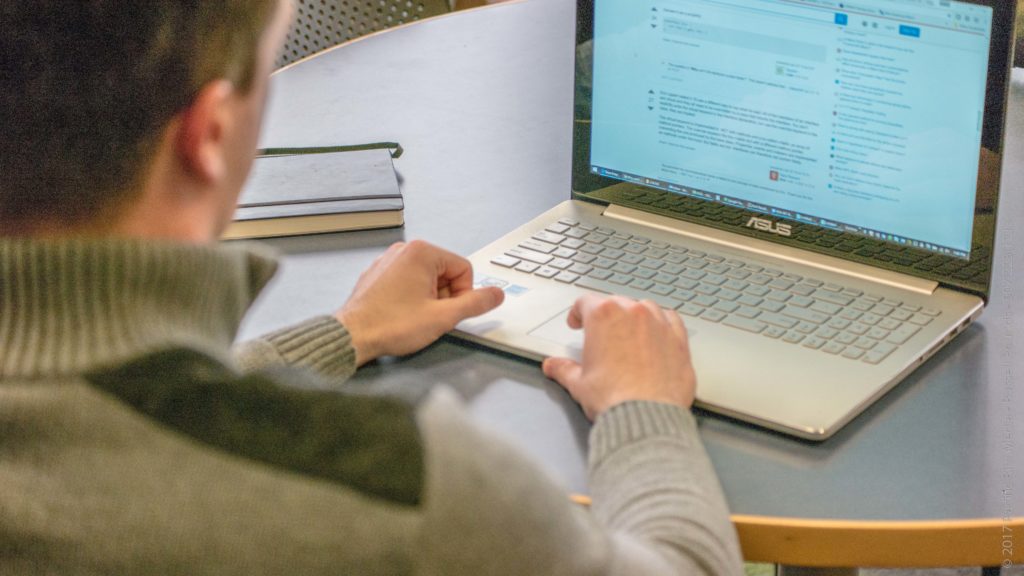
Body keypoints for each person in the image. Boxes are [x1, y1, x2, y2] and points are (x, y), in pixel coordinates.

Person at [0, 1, 743, 574]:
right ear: (211, 136)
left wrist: (344, 332)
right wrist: (643, 409)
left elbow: (87, 405)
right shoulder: (398, 485)